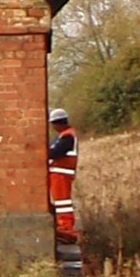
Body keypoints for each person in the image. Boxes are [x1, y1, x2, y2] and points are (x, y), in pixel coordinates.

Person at [47, 107, 79, 250]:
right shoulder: (64, 136)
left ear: (56, 123)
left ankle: (66, 227)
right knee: (61, 202)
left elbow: (55, 152)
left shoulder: (67, 137)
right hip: (59, 174)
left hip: (61, 174)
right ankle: (64, 226)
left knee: (63, 203)